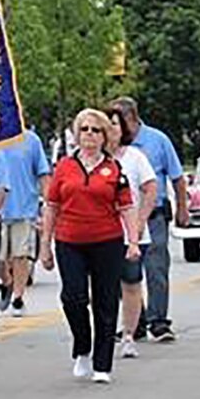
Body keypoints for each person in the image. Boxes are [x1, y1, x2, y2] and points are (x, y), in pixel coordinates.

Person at [38, 108, 142, 384]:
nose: (89, 135)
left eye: (96, 130)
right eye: (84, 129)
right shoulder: (64, 167)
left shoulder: (113, 169)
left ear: (104, 136)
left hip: (106, 240)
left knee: (105, 302)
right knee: (73, 298)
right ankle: (82, 346)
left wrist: (133, 241)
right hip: (69, 240)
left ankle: (102, 364)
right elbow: (51, 207)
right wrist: (45, 245)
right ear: (76, 134)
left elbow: (127, 207)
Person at [110, 97, 187, 343]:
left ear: (131, 118)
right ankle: (136, 321)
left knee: (156, 268)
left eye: (120, 122)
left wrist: (182, 208)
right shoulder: (109, 148)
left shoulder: (157, 140)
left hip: (154, 215)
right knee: (126, 272)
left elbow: (177, 177)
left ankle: (159, 321)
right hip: (120, 218)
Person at [0, 128, 51, 317]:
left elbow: (42, 173)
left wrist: (47, 206)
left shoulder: (31, 140)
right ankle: (7, 282)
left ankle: (18, 298)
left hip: (24, 206)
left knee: (21, 255)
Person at [111, 115, 160, 361]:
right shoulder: (88, 159)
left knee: (131, 283)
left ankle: (129, 335)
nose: (110, 130)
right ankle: (105, 331)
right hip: (100, 233)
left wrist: (141, 220)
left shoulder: (134, 157)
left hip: (131, 233)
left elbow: (151, 187)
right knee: (103, 287)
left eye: (115, 124)